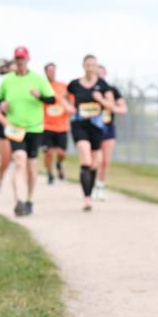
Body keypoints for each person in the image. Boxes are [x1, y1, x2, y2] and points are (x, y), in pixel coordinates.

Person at [0, 46, 56, 216]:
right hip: (15, 128)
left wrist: (39, 96)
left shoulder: (39, 79)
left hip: (35, 128)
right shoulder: (7, 81)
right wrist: (2, 106)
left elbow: (51, 99)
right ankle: (18, 201)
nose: (20, 61)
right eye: (17, 58)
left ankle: (30, 199)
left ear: (28, 59)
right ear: (15, 60)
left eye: (22, 58)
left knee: (31, 166)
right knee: (19, 160)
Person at [67, 55, 114, 211]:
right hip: (79, 124)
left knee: (96, 162)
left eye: (93, 65)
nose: (90, 67)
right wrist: (69, 108)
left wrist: (100, 100)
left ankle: (90, 190)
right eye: (87, 64)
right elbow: (63, 98)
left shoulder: (102, 85)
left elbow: (111, 105)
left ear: (96, 67)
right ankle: (87, 198)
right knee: (85, 159)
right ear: (83, 66)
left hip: (96, 126)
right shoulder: (74, 84)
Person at [93, 64, 127, 200]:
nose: (100, 77)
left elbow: (123, 109)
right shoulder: (90, 90)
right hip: (92, 128)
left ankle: (100, 186)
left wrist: (106, 103)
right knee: (95, 160)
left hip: (107, 128)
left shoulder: (112, 91)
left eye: (102, 74)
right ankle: (90, 185)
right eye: (97, 75)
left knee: (105, 160)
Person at [42, 62, 73, 184]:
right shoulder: (42, 86)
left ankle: (59, 164)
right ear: (45, 72)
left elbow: (71, 103)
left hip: (62, 126)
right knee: (48, 152)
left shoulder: (63, 86)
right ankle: (49, 173)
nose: (52, 72)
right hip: (46, 126)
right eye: (49, 70)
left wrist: (70, 115)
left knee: (62, 153)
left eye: (53, 70)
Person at [0, 59, 16, 194]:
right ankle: (0, 179)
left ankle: (18, 190)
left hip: (22, 126)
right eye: (10, 72)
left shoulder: (26, 87)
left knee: (19, 158)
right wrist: (3, 118)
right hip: (5, 126)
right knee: (5, 160)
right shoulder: (1, 89)